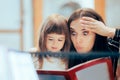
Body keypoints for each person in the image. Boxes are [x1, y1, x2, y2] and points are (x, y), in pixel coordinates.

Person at [67, 8, 119, 78]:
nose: (78, 40)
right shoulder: (65, 52)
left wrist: (108, 31)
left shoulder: (111, 47)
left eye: (85, 33)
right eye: (73, 33)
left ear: (97, 33)